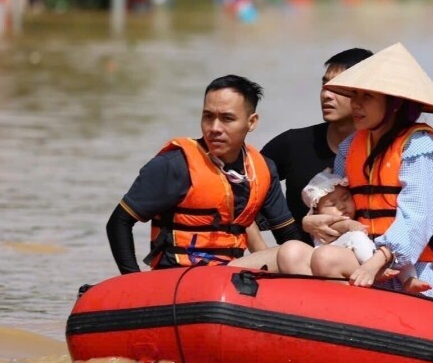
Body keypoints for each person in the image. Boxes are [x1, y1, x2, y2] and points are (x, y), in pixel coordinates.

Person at [275, 43, 433, 303]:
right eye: (354, 95)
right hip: (359, 249)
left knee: (326, 259)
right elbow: (339, 203)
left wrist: (378, 260)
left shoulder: (421, 146)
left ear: (394, 103)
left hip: (406, 267)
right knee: (291, 252)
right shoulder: (351, 146)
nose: (355, 104)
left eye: (366, 97)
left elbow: (418, 219)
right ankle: (319, 322)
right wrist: (313, 220)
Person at [106, 75, 305, 274]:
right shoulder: (176, 165)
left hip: (228, 279)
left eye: (227, 118)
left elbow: (288, 235)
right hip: (176, 278)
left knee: (297, 251)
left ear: (251, 122)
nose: (215, 128)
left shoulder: (262, 169)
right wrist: (133, 279)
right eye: (208, 117)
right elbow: (119, 222)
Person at [261, 48, 374, 234]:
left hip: (367, 255)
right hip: (295, 256)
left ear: (368, 93)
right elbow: (242, 192)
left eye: (338, 87)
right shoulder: (292, 144)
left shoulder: (388, 150)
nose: (326, 95)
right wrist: (262, 247)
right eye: (324, 85)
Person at [299, 170, 429, 293]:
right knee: (356, 236)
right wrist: (350, 225)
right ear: (317, 212)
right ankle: (377, 269)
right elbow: (341, 227)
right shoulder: (324, 223)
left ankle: (409, 279)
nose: (341, 206)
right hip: (332, 254)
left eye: (345, 198)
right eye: (332, 204)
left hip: (361, 255)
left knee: (397, 249)